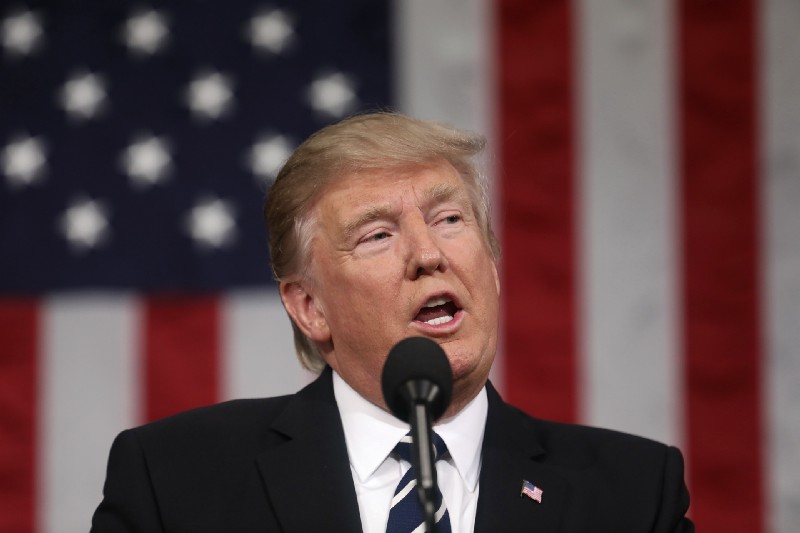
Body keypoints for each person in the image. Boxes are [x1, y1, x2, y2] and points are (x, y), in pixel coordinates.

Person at [90, 112, 693, 532]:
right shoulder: (177, 480)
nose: (430, 254)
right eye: (378, 235)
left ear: (492, 263)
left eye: (450, 219)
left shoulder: (632, 495)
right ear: (309, 307)